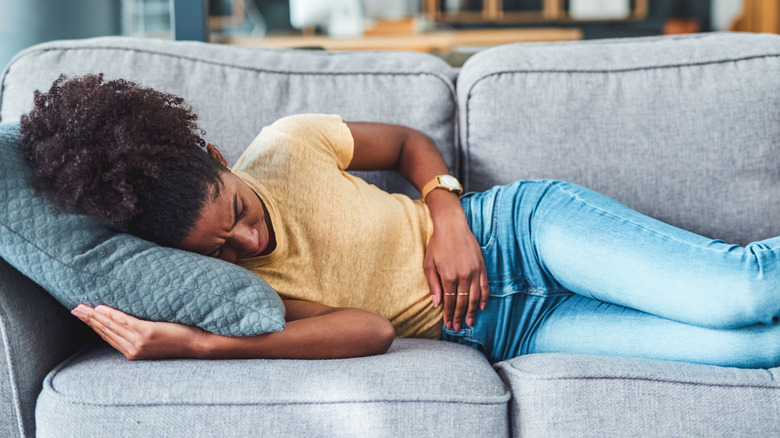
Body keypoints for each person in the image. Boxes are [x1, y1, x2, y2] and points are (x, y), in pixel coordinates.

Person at [21, 74, 780, 368]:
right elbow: (372, 331)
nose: (249, 242)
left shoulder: (289, 144)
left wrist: (446, 218)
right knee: (750, 354)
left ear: (217, 154)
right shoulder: (222, 288)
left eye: (241, 214)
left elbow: (412, 145)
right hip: (508, 330)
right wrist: (201, 344)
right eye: (226, 246)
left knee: (736, 296)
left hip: (518, 230)